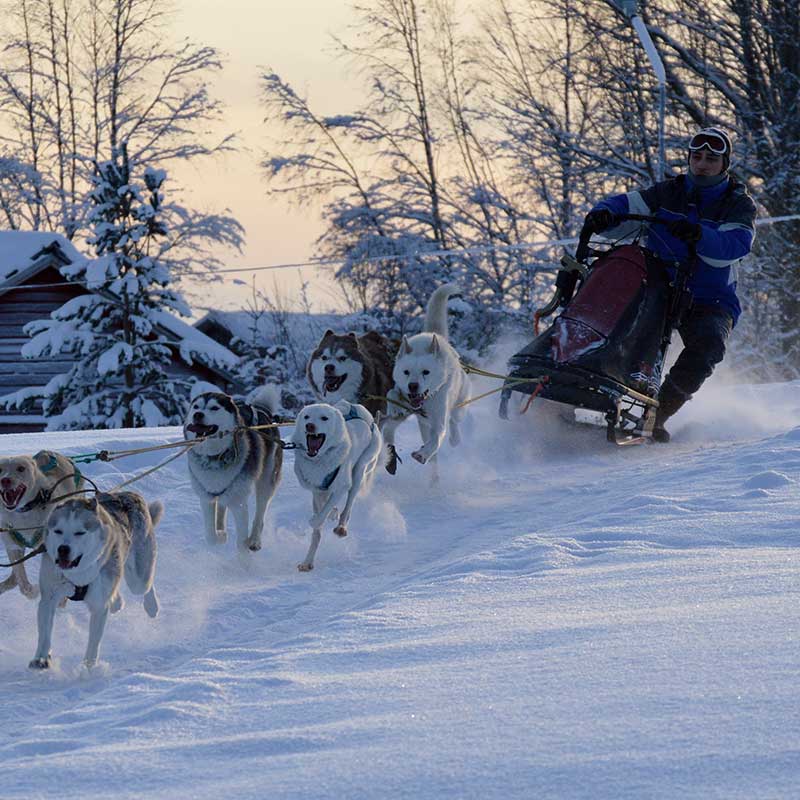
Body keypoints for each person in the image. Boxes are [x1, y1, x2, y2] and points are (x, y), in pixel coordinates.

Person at [583, 127, 757, 442]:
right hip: (657, 288)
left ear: (724, 165)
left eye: (711, 159)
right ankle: (585, 389)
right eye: (697, 157)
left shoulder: (737, 204)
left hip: (709, 298)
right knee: (615, 326)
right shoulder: (666, 193)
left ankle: (657, 415)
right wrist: (603, 214)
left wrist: (699, 234)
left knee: (708, 346)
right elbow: (624, 204)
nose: (702, 165)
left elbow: (734, 246)